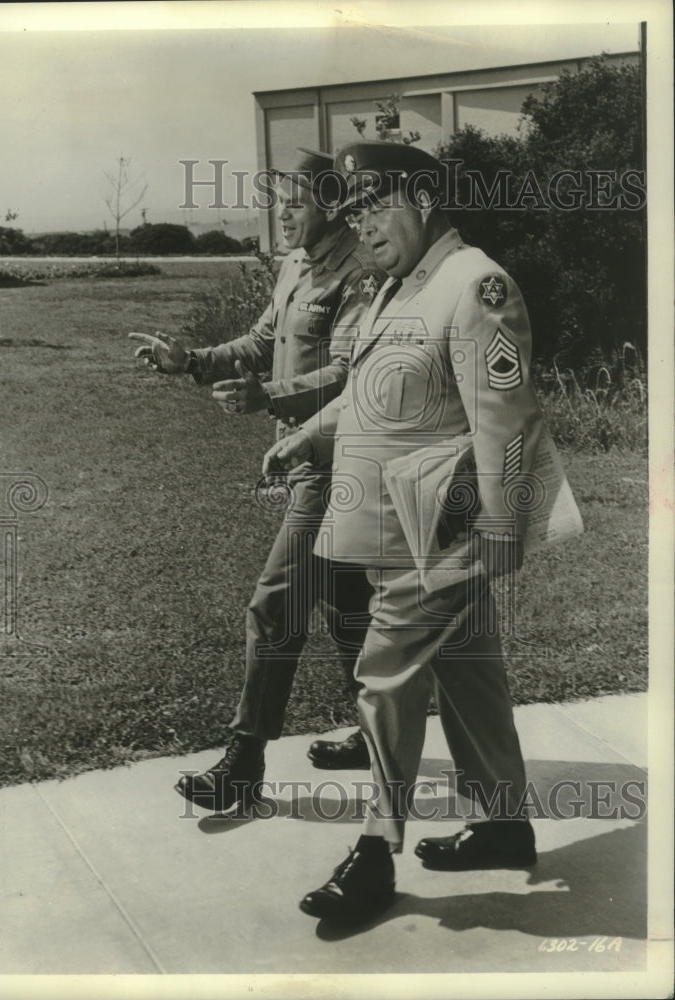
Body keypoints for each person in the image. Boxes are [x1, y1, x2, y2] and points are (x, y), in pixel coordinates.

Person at [263, 140, 545, 925]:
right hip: (394, 526)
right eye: (348, 209)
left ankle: (374, 851)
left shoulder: (475, 284)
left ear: (422, 199)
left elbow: (507, 423)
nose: (359, 223)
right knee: (467, 671)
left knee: (383, 673)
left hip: (442, 531)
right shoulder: (397, 286)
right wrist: (308, 435)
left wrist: (496, 534)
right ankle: (502, 825)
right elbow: (366, 393)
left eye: (373, 204)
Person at [129, 148, 387, 812]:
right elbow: (260, 338)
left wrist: (269, 397)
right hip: (310, 462)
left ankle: (243, 763)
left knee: (275, 606)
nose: (282, 213)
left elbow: (346, 377)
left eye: (295, 201)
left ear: (329, 206)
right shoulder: (297, 266)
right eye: (277, 201)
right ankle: (374, 733)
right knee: (347, 604)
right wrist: (190, 360)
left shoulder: (356, 272)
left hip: (338, 468)